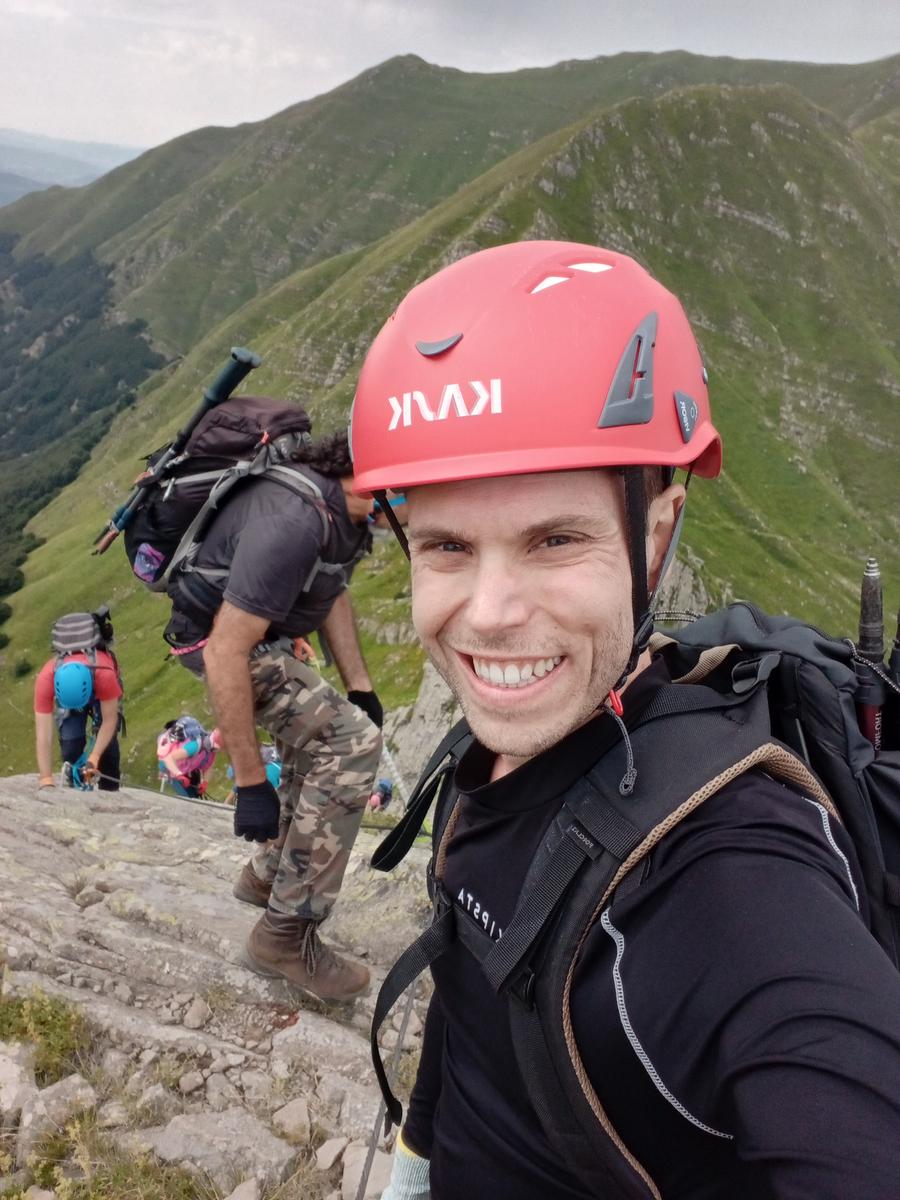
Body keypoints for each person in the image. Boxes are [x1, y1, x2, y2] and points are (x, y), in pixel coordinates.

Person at [349, 242, 900, 1198]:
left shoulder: (732, 880)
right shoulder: (504, 745)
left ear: (656, 533)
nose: (487, 612)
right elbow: (477, 992)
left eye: (554, 539)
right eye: (445, 545)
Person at [163, 428, 383, 1002]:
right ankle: (285, 937)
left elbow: (330, 589)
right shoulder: (297, 521)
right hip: (220, 645)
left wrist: (360, 686)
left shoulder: (345, 514)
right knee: (352, 745)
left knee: (331, 731)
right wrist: (250, 782)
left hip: (266, 640)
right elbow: (223, 652)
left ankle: (266, 876)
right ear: (378, 479)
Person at [33, 614, 123, 792]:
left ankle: (110, 790)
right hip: (70, 695)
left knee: (108, 750)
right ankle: (76, 784)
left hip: (100, 690)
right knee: (70, 748)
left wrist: (94, 757)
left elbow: (109, 721)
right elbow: (43, 735)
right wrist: (45, 778)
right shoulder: (46, 678)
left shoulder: (105, 674)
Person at [157, 716, 222, 797]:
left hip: (184, 770)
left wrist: (205, 782)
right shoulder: (194, 746)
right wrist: (179, 775)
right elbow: (169, 759)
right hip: (170, 767)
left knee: (194, 797)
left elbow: (209, 767)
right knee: (187, 799)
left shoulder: (211, 752)